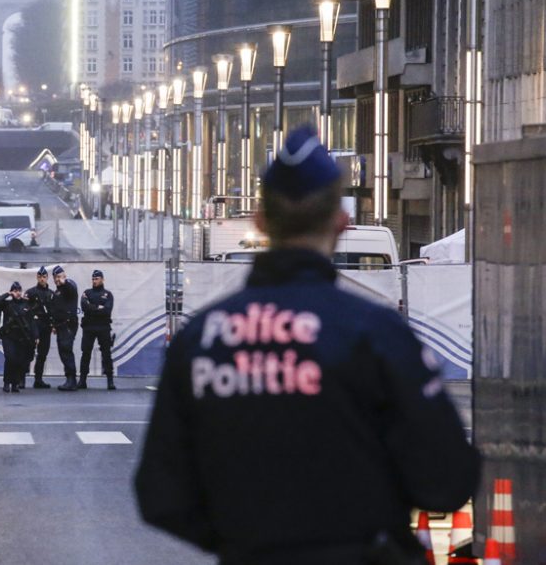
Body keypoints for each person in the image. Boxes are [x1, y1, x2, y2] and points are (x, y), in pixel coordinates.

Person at [135, 127, 480, 565]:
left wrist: (244, 540)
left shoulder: (202, 338)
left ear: (259, 220)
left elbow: (161, 494)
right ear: (341, 223)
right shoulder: (376, 332)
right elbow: (448, 478)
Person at [0, 281, 36, 393]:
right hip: (9, 336)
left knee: (19, 361)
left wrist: (35, 337)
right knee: (10, 358)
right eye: (15, 291)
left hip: (22, 337)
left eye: (19, 291)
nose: (17, 293)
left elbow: (32, 321)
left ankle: (15, 384)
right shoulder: (7, 303)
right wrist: (8, 294)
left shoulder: (26, 304)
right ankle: (7, 382)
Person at [79, 269, 116, 390]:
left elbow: (107, 310)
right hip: (89, 327)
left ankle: (110, 381)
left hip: (103, 327)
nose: (94, 281)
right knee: (86, 353)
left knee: (106, 354)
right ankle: (82, 380)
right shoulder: (87, 293)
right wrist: (98, 307)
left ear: (102, 279)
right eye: (93, 279)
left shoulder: (108, 294)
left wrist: (92, 308)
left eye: (97, 279)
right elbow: (84, 306)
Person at [50, 265, 80, 391]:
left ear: (64, 276)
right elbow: (57, 309)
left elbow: (72, 290)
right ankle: (69, 378)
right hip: (60, 325)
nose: (57, 279)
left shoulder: (69, 285)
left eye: (59, 276)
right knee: (63, 352)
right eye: (55, 277)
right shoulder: (57, 291)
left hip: (68, 324)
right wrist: (55, 325)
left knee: (66, 351)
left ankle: (71, 380)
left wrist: (65, 282)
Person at [25, 266, 55, 389]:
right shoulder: (31, 292)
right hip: (34, 326)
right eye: (40, 277)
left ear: (47, 278)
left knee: (42, 354)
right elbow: (25, 309)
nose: (42, 279)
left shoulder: (51, 294)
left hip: (46, 326)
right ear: (37, 277)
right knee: (28, 353)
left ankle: (38, 379)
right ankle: (21, 379)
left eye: (44, 277)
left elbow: (53, 311)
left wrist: (53, 325)